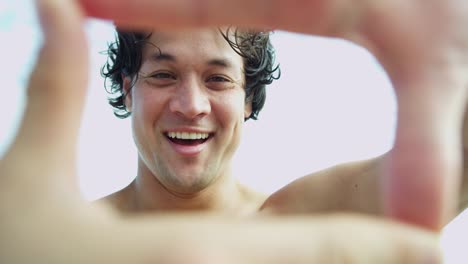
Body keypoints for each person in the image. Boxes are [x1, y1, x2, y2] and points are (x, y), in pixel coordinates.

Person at [1, 0, 467, 263]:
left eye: (218, 78)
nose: (190, 105)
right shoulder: (58, 247)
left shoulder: (300, 221)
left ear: (248, 99)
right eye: (163, 75)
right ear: (128, 89)